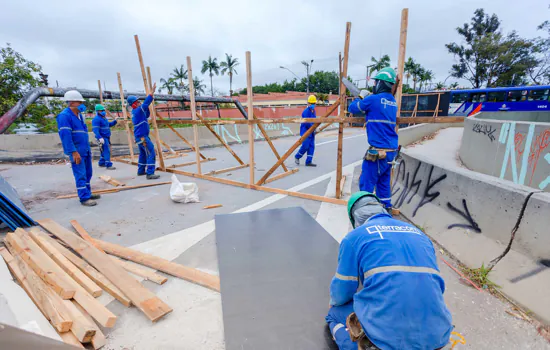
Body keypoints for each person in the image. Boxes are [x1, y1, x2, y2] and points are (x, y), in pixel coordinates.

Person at [325, 191, 453, 350]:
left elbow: (342, 291)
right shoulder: (420, 235)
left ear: (355, 218)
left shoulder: (355, 237)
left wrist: (335, 303)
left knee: (334, 314)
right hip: (437, 336)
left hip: (390, 342)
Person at [348, 67, 399, 210]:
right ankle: (386, 208)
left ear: (381, 83)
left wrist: (361, 97)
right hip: (391, 152)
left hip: (378, 152)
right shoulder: (393, 102)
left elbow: (352, 108)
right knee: (383, 182)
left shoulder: (372, 100)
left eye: (376, 82)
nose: (374, 85)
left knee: (366, 183)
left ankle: (365, 211)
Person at [57, 90, 100, 206]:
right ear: (71, 102)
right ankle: (84, 198)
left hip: (85, 150)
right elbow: (65, 136)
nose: (81, 104)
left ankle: (87, 193)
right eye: (79, 102)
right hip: (77, 151)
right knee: (80, 174)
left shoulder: (80, 116)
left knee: (88, 173)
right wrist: (73, 152)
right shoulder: (64, 116)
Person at [127, 82, 160, 180]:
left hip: (140, 136)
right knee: (151, 152)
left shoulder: (136, 113)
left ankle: (141, 170)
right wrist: (151, 93)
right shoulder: (137, 110)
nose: (139, 103)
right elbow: (146, 103)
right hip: (142, 137)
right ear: (134, 104)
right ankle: (150, 173)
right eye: (137, 102)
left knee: (142, 154)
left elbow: (146, 115)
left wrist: (148, 108)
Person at [91, 104, 119, 170]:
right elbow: (95, 130)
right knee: (106, 150)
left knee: (103, 150)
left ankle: (101, 162)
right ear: (98, 111)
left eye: (103, 110)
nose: (103, 111)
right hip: (102, 137)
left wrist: (115, 121)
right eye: (102, 110)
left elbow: (108, 125)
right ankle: (108, 164)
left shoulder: (104, 118)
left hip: (106, 137)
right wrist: (99, 137)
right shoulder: (96, 119)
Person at [294, 94, 318, 167]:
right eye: (312, 103)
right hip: (305, 131)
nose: (313, 105)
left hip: (311, 131)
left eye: (314, 103)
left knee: (311, 146)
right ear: (308, 103)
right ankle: (297, 156)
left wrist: (315, 128)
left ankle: (308, 161)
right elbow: (307, 122)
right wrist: (313, 127)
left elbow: (314, 120)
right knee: (305, 146)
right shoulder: (305, 112)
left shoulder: (314, 111)